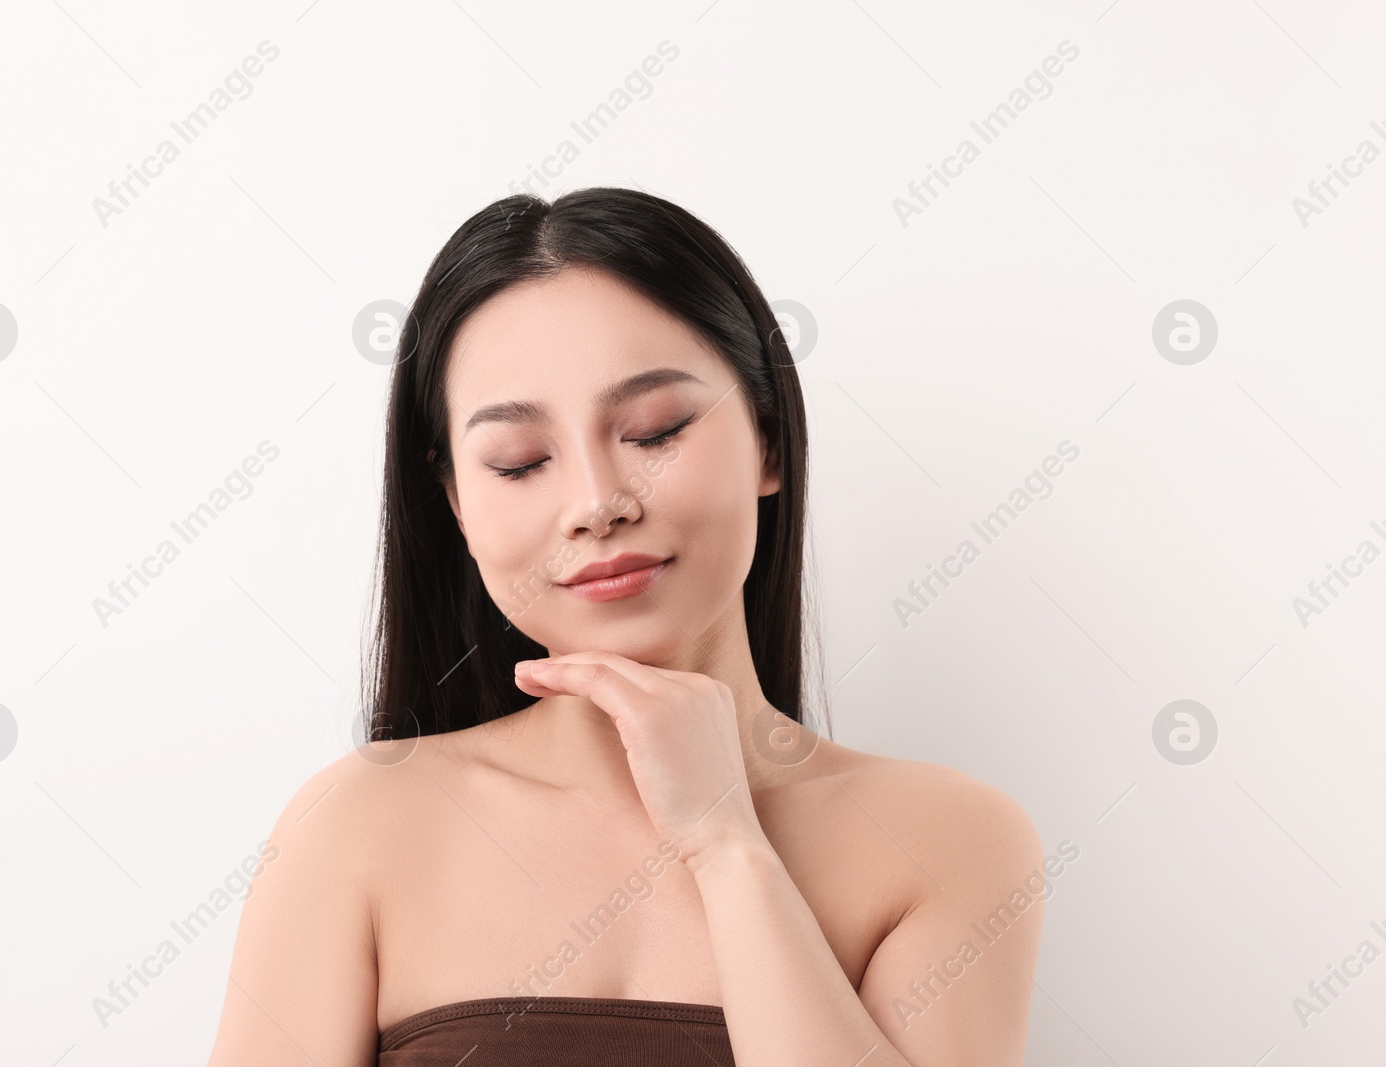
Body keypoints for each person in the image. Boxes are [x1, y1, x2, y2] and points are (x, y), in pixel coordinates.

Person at [206, 187, 1044, 1066]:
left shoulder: (949, 840)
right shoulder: (355, 827)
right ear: (456, 500)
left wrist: (728, 845)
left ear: (767, 439)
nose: (598, 504)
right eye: (519, 461)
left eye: (654, 431)